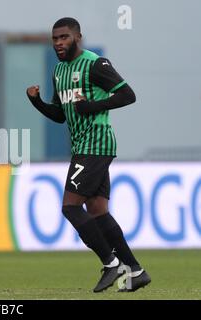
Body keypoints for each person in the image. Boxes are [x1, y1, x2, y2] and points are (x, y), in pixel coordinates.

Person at [26, 17, 151, 292]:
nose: (59, 43)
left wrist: (93, 105)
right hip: (82, 145)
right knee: (97, 211)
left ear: (77, 37)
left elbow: (128, 95)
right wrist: (37, 102)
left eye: (64, 37)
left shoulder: (95, 64)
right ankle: (136, 270)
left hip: (96, 143)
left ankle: (111, 263)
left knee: (70, 206)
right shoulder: (58, 71)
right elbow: (60, 115)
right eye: (55, 38)